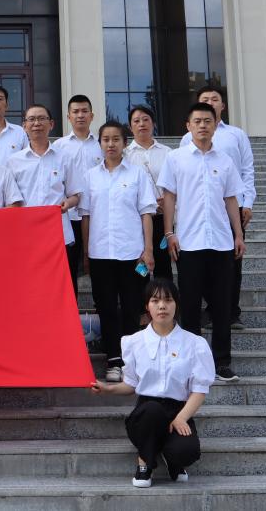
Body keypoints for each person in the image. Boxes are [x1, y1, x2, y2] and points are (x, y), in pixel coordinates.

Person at [90, 279, 214, 489]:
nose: (162, 306)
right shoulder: (134, 342)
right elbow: (131, 384)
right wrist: (108, 389)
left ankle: (170, 455)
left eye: (168, 300)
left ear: (176, 304)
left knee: (187, 452)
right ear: (147, 306)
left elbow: (199, 389)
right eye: (155, 301)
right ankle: (144, 462)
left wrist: (181, 418)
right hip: (146, 413)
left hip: (178, 410)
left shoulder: (194, 344)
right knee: (153, 411)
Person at [158, 102, 246, 383]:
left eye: (207, 121)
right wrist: (169, 233)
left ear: (215, 124)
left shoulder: (225, 160)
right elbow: (169, 197)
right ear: (188, 126)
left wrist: (238, 234)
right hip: (189, 243)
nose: (202, 126)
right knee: (190, 304)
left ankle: (222, 362)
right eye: (197, 121)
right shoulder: (176, 158)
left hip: (221, 242)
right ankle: (193, 363)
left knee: (221, 305)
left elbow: (231, 199)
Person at [81, 121, 157, 383]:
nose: (110, 144)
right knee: (107, 308)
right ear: (100, 144)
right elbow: (86, 216)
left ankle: (132, 362)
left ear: (125, 143)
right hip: (100, 253)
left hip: (132, 253)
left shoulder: (137, 174)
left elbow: (146, 213)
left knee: (132, 307)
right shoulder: (90, 176)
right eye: (105, 139)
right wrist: (86, 252)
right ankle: (114, 360)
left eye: (116, 139)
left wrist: (148, 249)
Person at [179, 86, 255, 330]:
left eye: (215, 99)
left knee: (232, 263)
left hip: (232, 205)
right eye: (205, 99)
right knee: (200, 263)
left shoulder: (236, 135)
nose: (210, 102)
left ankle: (231, 312)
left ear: (223, 106)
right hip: (199, 210)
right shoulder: (187, 139)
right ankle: (210, 310)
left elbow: (247, 170)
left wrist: (247, 202)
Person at [6, 104, 84, 296]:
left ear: (51, 124)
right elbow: (9, 200)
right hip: (26, 236)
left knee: (63, 288)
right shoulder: (14, 161)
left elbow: (76, 194)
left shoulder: (65, 158)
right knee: (29, 287)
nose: (36, 123)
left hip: (59, 234)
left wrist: (68, 204)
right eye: (31, 119)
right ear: (24, 126)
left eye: (42, 119)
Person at [53, 95, 104, 287]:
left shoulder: (102, 144)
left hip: (98, 215)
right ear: (68, 117)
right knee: (69, 268)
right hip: (69, 216)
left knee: (98, 267)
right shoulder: (58, 147)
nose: (80, 115)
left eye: (84, 111)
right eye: (75, 112)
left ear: (92, 116)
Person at [125, 105, 173, 280]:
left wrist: (167, 201)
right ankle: (141, 295)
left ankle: (164, 295)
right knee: (139, 266)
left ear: (153, 124)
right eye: (136, 121)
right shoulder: (125, 155)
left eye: (146, 120)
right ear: (130, 127)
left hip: (161, 217)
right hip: (135, 219)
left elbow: (175, 184)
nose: (141, 124)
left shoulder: (167, 153)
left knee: (163, 265)